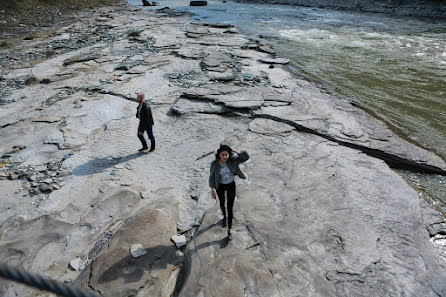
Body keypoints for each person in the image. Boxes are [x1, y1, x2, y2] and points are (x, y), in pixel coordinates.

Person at [209, 144, 250, 241]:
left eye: (226, 154)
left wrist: (235, 151)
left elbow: (246, 156)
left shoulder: (233, 160)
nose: (224, 157)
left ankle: (229, 231)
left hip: (231, 185)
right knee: (222, 203)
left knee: (230, 207)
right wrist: (212, 189)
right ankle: (224, 217)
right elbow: (211, 176)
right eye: (222, 154)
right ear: (219, 154)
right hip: (220, 186)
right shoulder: (214, 164)